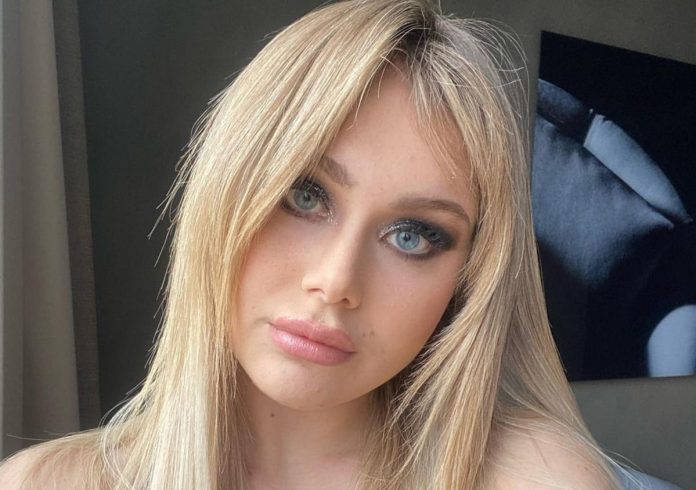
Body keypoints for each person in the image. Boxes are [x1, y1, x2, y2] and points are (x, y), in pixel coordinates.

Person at [0, 0, 646, 488]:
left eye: (413, 236)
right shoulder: (45, 483)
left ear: (467, 281)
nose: (337, 282)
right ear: (224, 191)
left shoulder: (535, 478)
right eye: (304, 196)